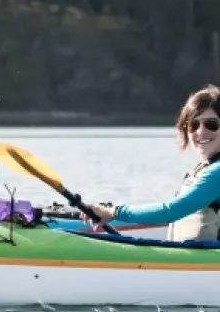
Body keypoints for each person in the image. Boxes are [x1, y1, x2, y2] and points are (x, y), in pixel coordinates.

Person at [81, 84, 220, 241]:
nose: (201, 132)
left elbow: (171, 212)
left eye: (211, 124)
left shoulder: (217, 173)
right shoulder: (206, 168)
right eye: (194, 125)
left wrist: (113, 212)